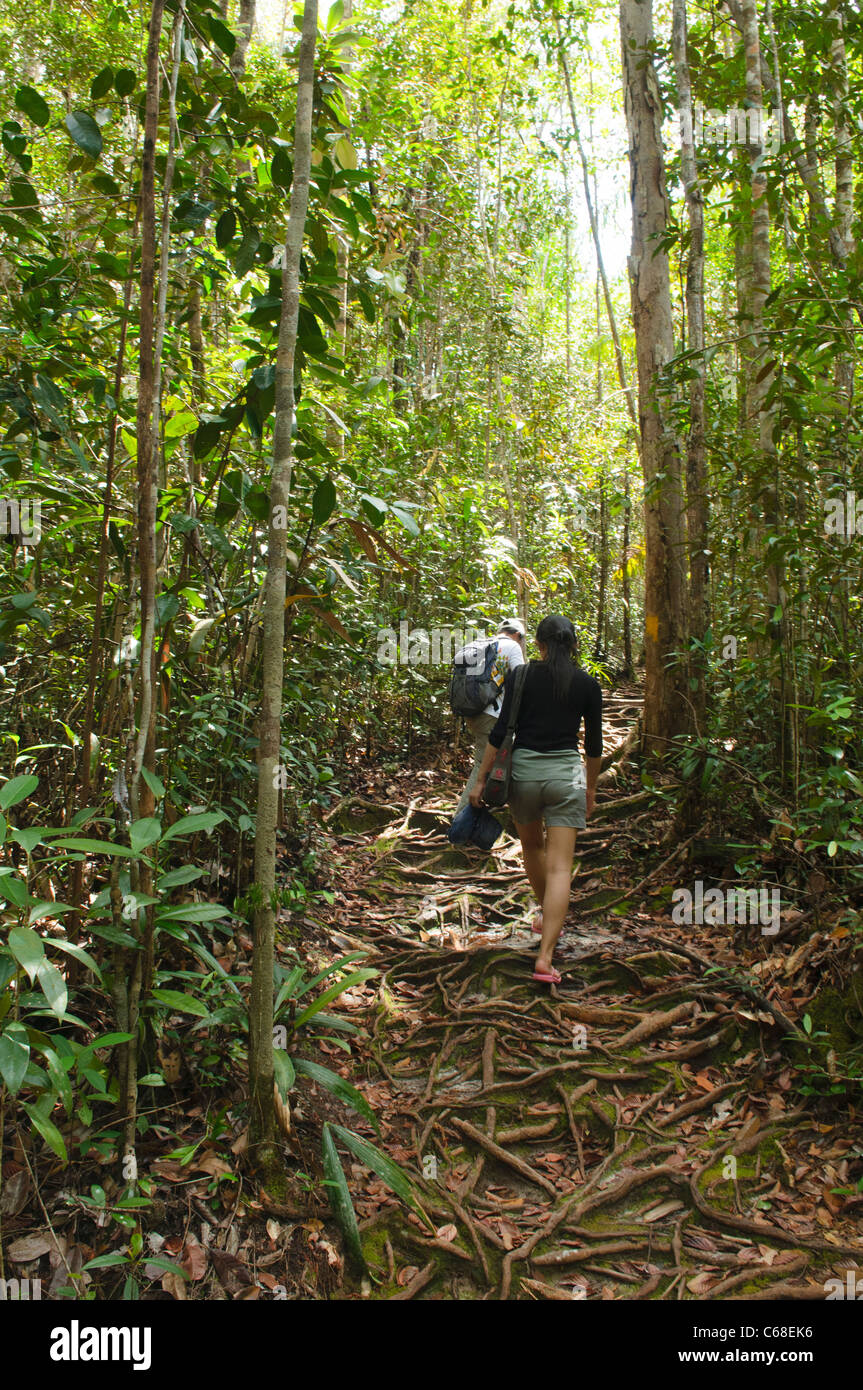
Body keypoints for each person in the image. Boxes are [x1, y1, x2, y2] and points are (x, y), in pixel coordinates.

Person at [470, 614, 602, 984]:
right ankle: (545, 957)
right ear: (573, 643)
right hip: (567, 777)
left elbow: (499, 733)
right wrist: (590, 789)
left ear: (539, 644)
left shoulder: (521, 676)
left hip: (524, 775)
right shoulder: (588, 684)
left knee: (532, 848)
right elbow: (594, 747)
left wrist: (480, 781)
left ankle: (545, 913)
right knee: (561, 867)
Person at [454, 618, 526, 814]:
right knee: (482, 766)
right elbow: (521, 681)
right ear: (518, 636)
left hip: (473, 713)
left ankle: (490, 814)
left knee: (496, 765)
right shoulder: (512, 646)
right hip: (492, 716)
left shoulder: (478, 644)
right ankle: (459, 825)